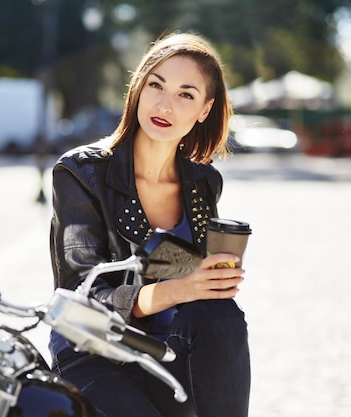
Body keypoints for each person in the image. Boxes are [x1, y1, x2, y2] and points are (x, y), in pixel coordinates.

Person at [49, 31, 250, 417]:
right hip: (95, 351)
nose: (164, 104)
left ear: (204, 110)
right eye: (156, 85)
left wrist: (210, 277)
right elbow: (82, 295)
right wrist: (178, 289)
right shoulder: (80, 173)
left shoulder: (203, 183)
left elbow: (188, 278)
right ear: (138, 88)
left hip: (171, 349)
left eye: (185, 94)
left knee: (221, 315)